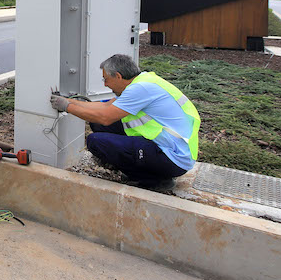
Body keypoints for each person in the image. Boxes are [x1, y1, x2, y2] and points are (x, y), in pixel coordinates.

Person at [49, 54, 200, 186]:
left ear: (118, 76)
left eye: (106, 79)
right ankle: (143, 166)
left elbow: (105, 117)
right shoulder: (142, 81)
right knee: (97, 124)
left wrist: (67, 107)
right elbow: (105, 106)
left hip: (172, 158)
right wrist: (67, 101)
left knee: (95, 141)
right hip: (169, 147)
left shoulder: (139, 89)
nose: (105, 84)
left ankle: (154, 180)